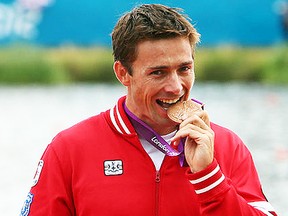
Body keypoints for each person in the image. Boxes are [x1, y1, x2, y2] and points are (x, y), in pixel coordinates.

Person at [20, 4, 277, 216]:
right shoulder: (70, 148)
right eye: (158, 72)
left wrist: (209, 177)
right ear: (123, 73)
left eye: (184, 69)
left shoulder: (227, 146)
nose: (176, 87)